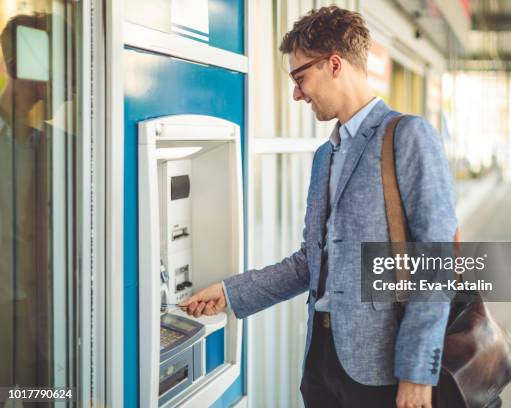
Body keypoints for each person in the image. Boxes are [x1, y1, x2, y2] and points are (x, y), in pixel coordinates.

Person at [181, 6, 457, 408]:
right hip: (321, 359)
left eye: (299, 77)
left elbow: (438, 258)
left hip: (383, 368)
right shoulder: (324, 156)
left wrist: (417, 372)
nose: (296, 93)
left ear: (333, 64)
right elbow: (311, 263)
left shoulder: (409, 136)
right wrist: (229, 292)